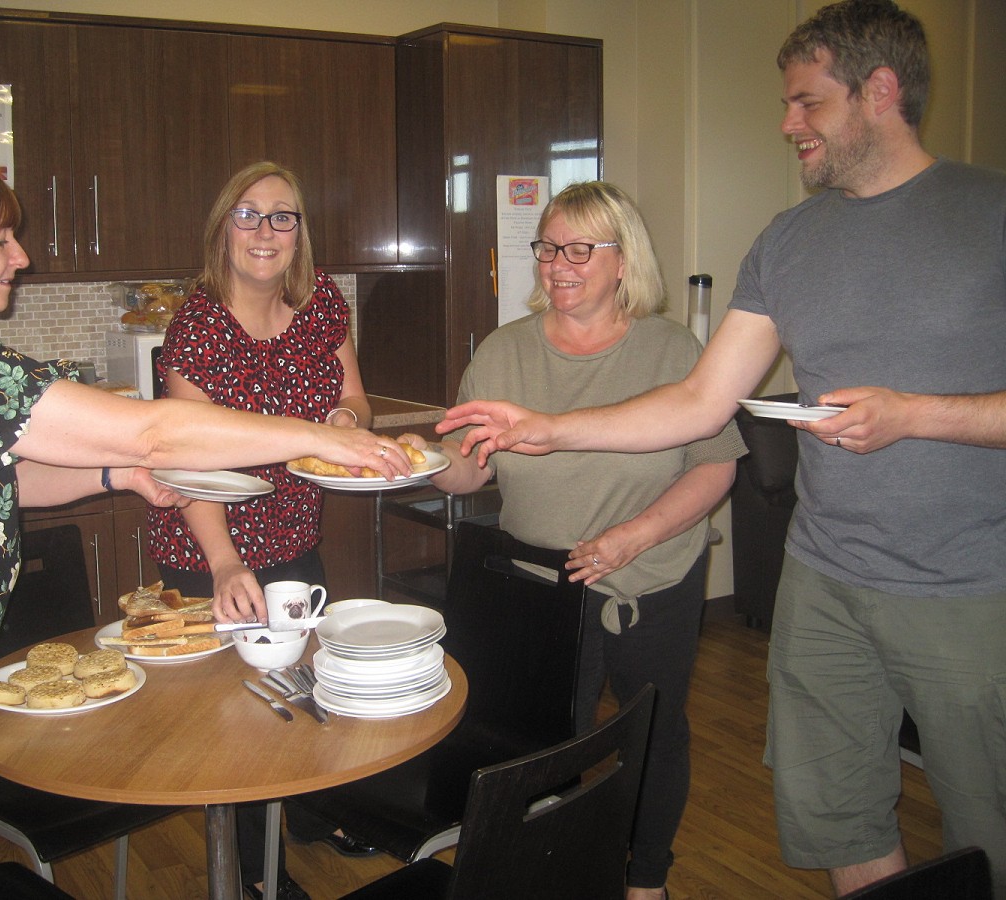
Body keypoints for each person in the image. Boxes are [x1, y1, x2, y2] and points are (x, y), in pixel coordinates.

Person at [439, 2, 1006, 896]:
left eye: (807, 102)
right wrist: (543, 428)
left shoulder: (989, 213)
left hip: (968, 582)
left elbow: (708, 443)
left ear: (880, 90)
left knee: (989, 819)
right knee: (839, 811)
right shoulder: (789, 240)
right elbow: (703, 402)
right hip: (822, 575)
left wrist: (917, 415)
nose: (787, 124)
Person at [0, 158, 411, 900]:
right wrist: (320, 437)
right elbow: (156, 433)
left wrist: (113, 476)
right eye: (1, 240)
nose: (20, 257)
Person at [402, 180, 745, 900]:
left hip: (651, 574)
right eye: (548, 247)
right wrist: (425, 463)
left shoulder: (674, 350)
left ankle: (646, 880)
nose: (557, 264)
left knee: (653, 735)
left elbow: (716, 468)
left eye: (579, 249)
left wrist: (634, 536)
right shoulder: (504, 353)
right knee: (541, 744)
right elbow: (471, 469)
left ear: (624, 261)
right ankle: (552, 871)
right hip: (539, 586)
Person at [146, 161, 377, 900]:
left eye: (283, 215)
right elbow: (188, 458)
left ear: (299, 234)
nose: (266, 230)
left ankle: (310, 813)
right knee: (237, 716)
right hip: (208, 547)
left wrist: (343, 420)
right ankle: (252, 872)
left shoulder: (321, 302)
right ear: (224, 228)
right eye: (248, 213)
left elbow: (355, 399)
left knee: (303, 686)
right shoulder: (198, 324)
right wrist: (223, 564)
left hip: (294, 536)